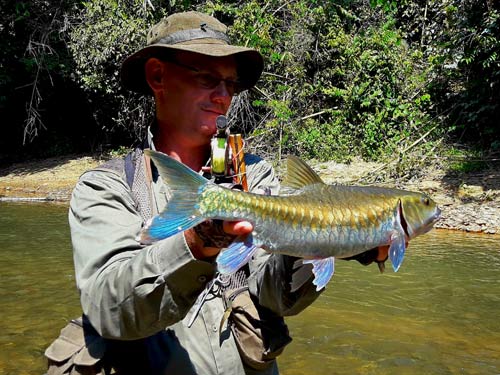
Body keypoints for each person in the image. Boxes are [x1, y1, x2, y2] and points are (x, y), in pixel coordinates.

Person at [45, 11, 386, 375]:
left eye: (231, 84)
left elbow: (276, 296)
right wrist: (195, 244)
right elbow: (107, 309)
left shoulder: (253, 174)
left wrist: (320, 244)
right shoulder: (107, 187)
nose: (223, 96)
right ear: (158, 76)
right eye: (207, 78)